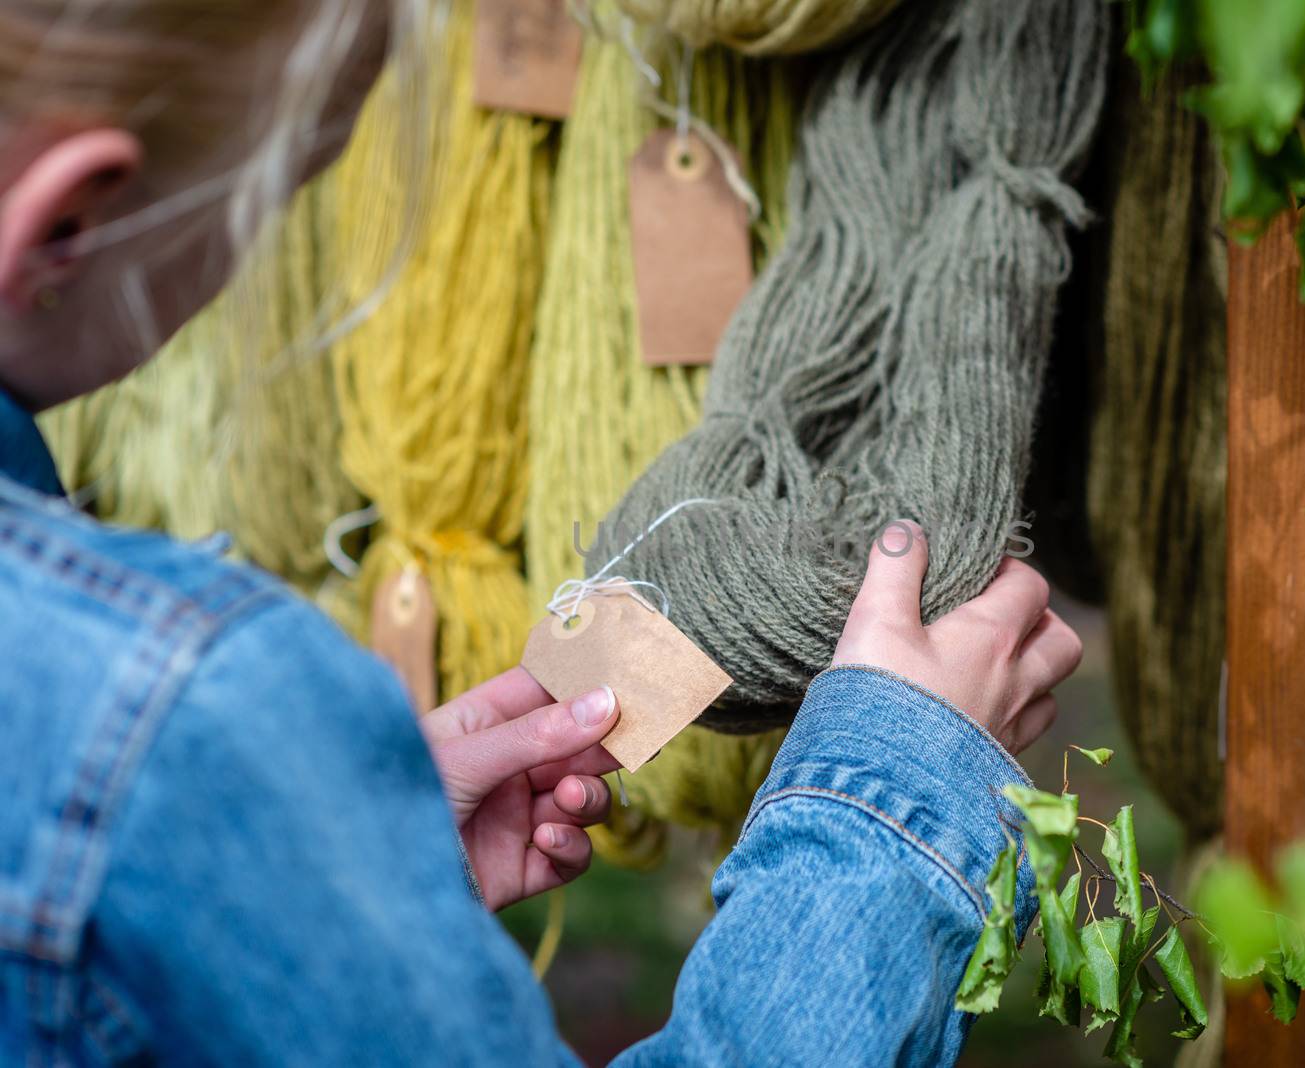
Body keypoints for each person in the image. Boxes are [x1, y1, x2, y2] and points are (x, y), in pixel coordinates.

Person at [0, 2, 1083, 1064]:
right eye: (270, 196)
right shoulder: (190, 699)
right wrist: (897, 785)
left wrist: (302, 862)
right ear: (66, 224)